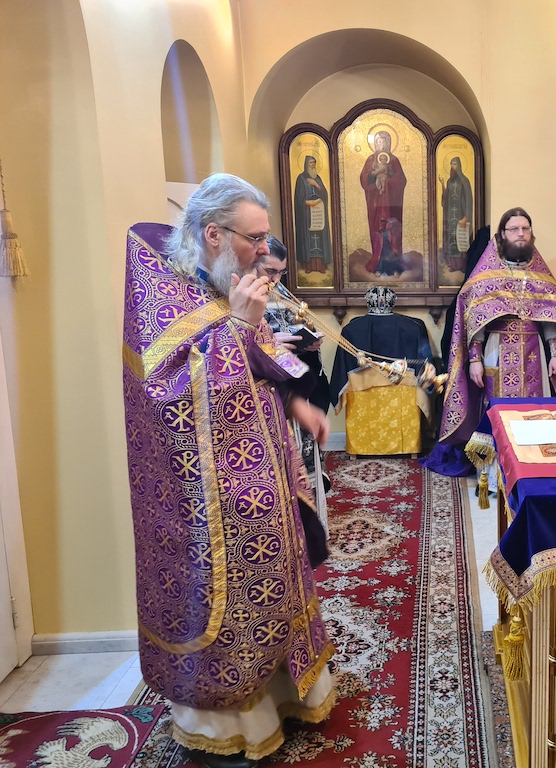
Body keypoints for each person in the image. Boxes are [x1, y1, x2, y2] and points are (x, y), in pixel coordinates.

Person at [122, 174, 335, 768]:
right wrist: (239, 326)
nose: (265, 251)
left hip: (264, 468)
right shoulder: (163, 297)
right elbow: (176, 400)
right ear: (213, 234)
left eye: (266, 238)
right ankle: (227, 726)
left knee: (277, 573)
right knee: (230, 594)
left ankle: (285, 697)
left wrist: (295, 402)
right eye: (255, 238)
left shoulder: (227, 281)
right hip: (206, 496)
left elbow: (259, 355)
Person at [437, 207, 556, 446]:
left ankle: (532, 455)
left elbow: (550, 317)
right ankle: (494, 461)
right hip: (495, 349)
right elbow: (476, 321)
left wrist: (555, 354)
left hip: (534, 352)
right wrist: (475, 359)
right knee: (495, 406)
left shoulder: (540, 275)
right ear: (502, 234)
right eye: (514, 229)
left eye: (525, 228)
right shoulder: (486, 275)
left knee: (534, 409)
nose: (520, 233)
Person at [260, 236, 331, 568]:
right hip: (264, 410)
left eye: (281, 273)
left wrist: (308, 345)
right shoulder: (232, 298)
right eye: (270, 271)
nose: (276, 280)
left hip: (291, 400)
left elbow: (294, 338)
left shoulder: (280, 294)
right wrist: (266, 343)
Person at [360, 130, 407, 276]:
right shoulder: (371, 160)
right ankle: (378, 266)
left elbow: (401, 180)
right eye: (379, 141)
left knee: (392, 233)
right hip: (376, 205)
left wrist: (387, 181)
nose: (382, 144)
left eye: (385, 141)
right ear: (375, 143)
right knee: (379, 233)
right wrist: (375, 174)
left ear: (389, 143)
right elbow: (364, 180)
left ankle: (395, 267)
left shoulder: (394, 161)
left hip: (392, 206)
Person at [293, 155, 331, 274]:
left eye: (314, 162)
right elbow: (298, 198)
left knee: (319, 237)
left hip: (318, 214)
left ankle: (321, 266)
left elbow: (325, 194)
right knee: (308, 238)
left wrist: (316, 185)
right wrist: (306, 202)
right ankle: (307, 265)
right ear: (306, 164)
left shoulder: (317, 178)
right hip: (306, 214)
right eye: (310, 163)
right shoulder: (301, 178)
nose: (313, 165)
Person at [439, 156, 473, 273]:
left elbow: (469, 200)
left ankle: (462, 265)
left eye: (454, 164)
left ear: (459, 166)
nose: (452, 167)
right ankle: (453, 265)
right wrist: (442, 185)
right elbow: (446, 198)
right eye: (451, 164)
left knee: (460, 241)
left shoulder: (464, 181)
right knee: (451, 240)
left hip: (460, 218)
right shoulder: (449, 181)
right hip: (450, 218)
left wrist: (466, 217)